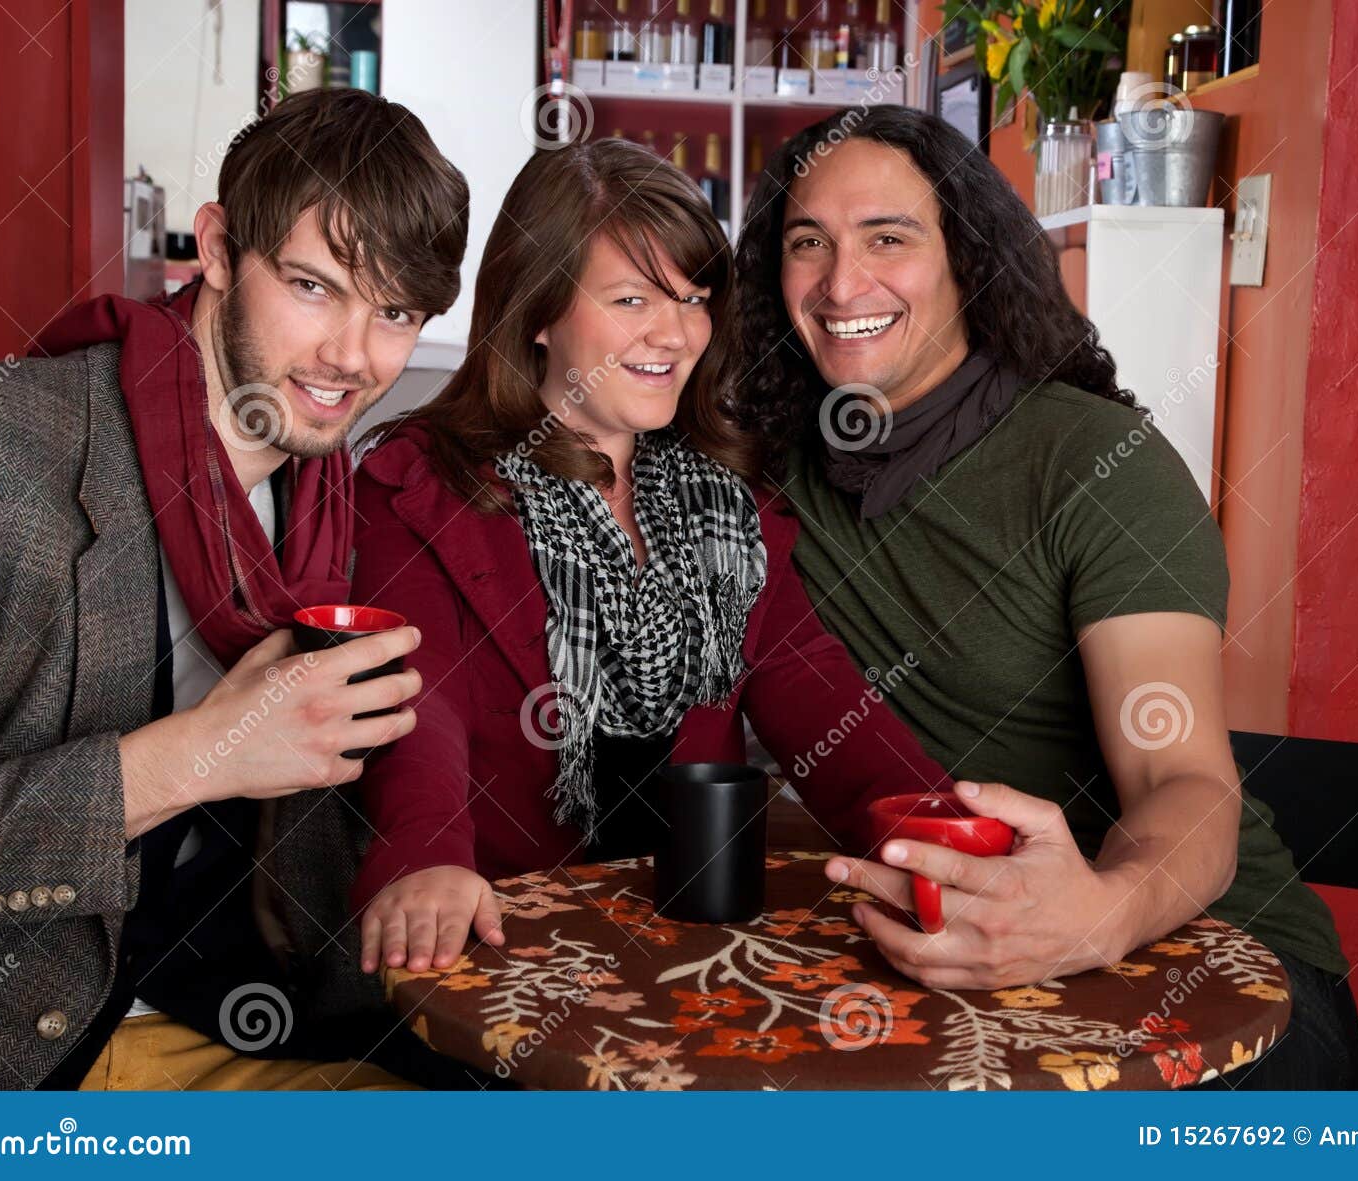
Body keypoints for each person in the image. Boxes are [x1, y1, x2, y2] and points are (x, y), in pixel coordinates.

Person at [729, 105, 1358, 1090]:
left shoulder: (1093, 463)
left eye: (887, 238)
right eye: (806, 243)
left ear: (967, 262)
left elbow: (1181, 778)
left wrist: (1097, 909)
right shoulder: (772, 473)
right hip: (952, 966)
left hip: (1221, 969)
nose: (841, 283)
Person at [0, 88, 472, 1090]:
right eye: (312, 285)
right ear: (215, 249)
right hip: (3, 1053)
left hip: (241, 1011)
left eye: (395, 311)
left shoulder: (331, 495)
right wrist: (196, 757)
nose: (352, 355)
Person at [347, 138, 953, 976]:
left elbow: (816, 694)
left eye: (695, 297)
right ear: (537, 309)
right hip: (493, 944)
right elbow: (423, 704)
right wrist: (426, 857)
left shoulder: (731, 496)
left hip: (693, 945)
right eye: (632, 298)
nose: (675, 333)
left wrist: (940, 837)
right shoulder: (420, 482)